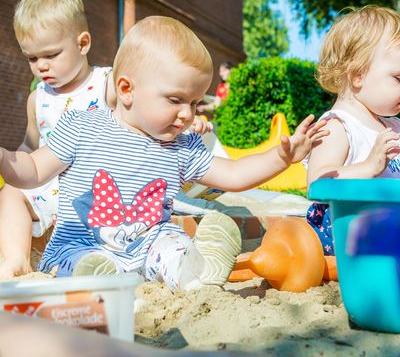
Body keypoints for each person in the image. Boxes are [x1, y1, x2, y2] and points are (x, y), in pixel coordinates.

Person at [0, 16, 328, 290]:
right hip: (82, 243)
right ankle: (99, 279)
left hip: (149, 247)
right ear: (127, 90)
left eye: (195, 102)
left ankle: (197, 269)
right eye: (175, 100)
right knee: (81, 262)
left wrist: (282, 158)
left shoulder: (181, 147)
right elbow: (31, 170)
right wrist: (4, 159)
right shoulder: (82, 127)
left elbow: (234, 174)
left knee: (172, 246)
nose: (188, 114)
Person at [0, 0, 213, 279]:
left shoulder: (108, 83)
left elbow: (147, 106)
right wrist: (13, 162)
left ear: (83, 43)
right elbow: (31, 144)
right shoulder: (38, 98)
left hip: (100, 184)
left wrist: (185, 122)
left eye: (51, 54)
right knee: (10, 192)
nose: (41, 67)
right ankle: (16, 259)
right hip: (51, 180)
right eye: (32, 58)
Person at [305, 5, 400, 256]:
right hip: (349, 231)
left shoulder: (393, 126)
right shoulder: (338, 126)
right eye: (399, 79)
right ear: (357, 75)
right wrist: (369, 166)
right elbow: (317, 183)